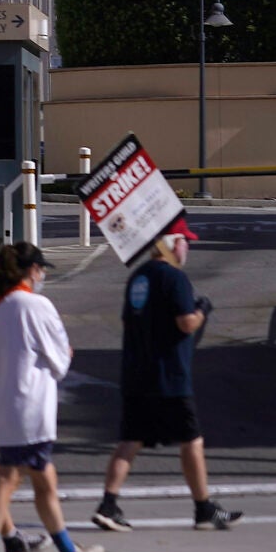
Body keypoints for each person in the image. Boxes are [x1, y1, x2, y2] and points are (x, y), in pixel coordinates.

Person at [0, 241, 101, 552]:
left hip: (4, 407)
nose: (42, 275)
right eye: (40, 269)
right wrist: (66, 353)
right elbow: (59, 360)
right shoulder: (35, 305)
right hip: (29, 408)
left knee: (45, 481)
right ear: (31, 271)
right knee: (8, 479)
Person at [95, 227, 239, 532]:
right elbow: (186, 323)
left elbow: (127, 320)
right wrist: (202, 309)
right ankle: (203, 508)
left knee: (130, 440)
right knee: (192, 440)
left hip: (136, 372)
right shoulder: (174, 278)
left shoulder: (139, 277)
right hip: (169, 375)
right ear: (170, 244)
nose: (187, 248)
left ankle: (108, 503)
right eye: (184, 241)